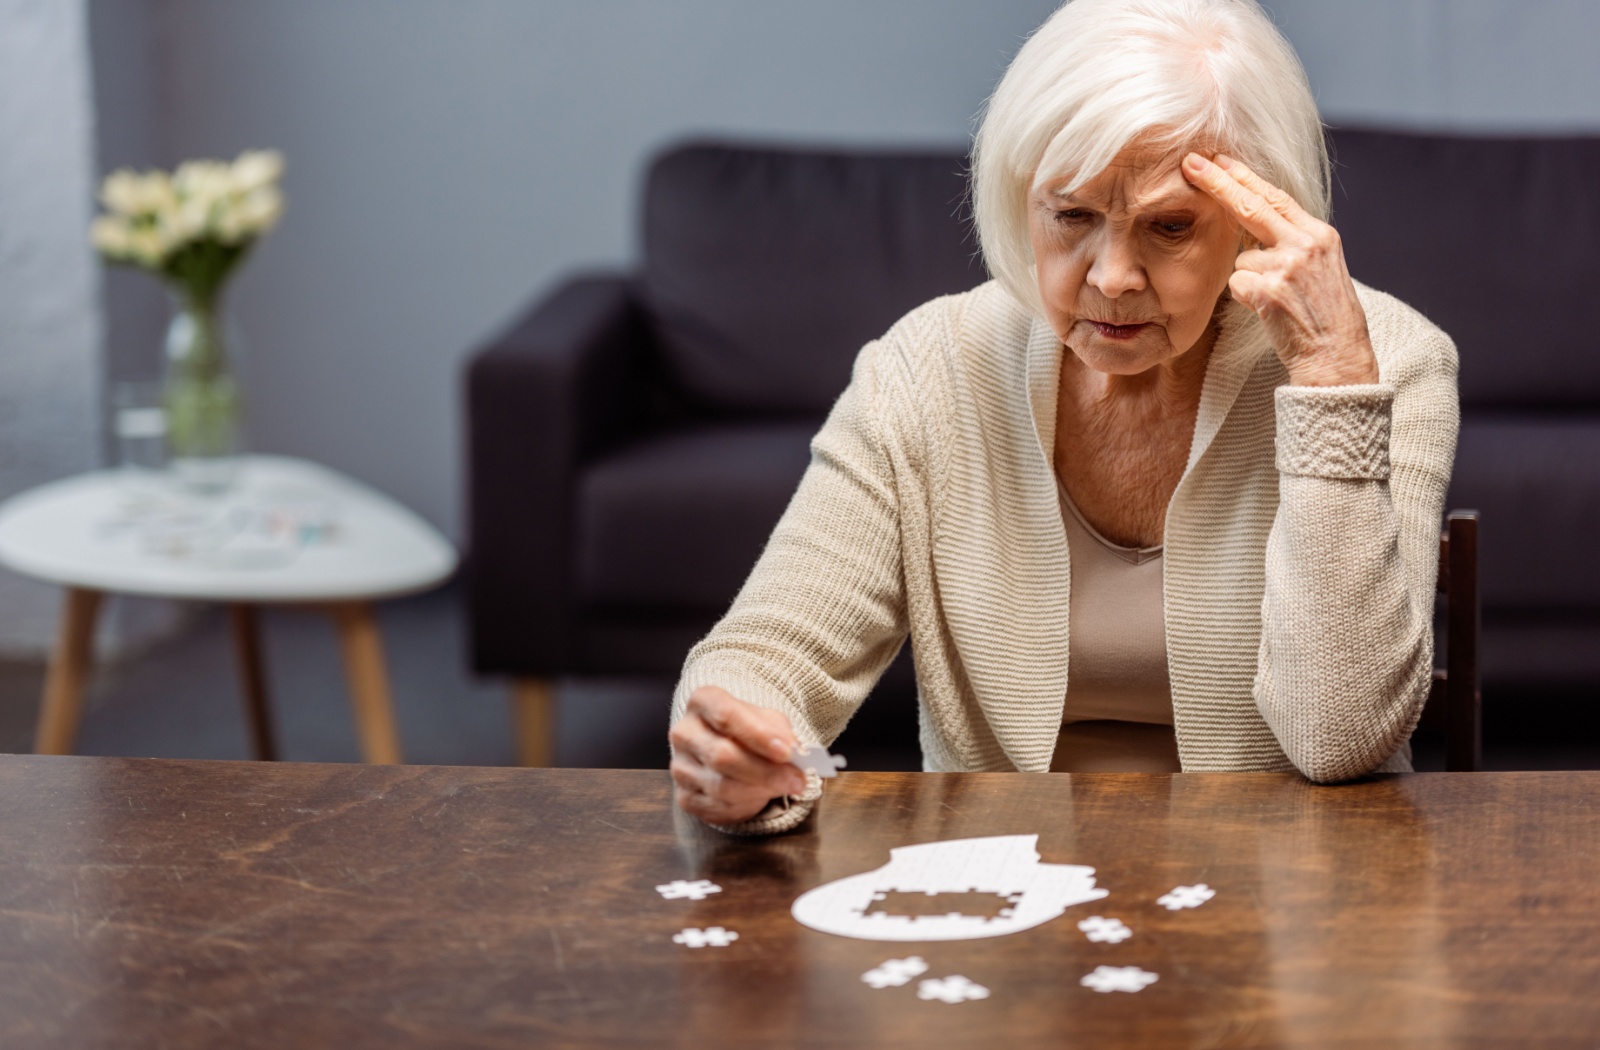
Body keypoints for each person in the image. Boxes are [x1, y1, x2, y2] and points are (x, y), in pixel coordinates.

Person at [668, 0, 1459, 834]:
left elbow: (1343, 740)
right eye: (1072, 214)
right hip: (998, 900)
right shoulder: (927, 366)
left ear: (1261, 219)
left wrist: (1331, 383)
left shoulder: (1386, 361)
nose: (1114, 276)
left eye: (1171, 225)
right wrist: (736, 743)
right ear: (1022, 198)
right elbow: (768, 649)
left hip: (1293, 900)